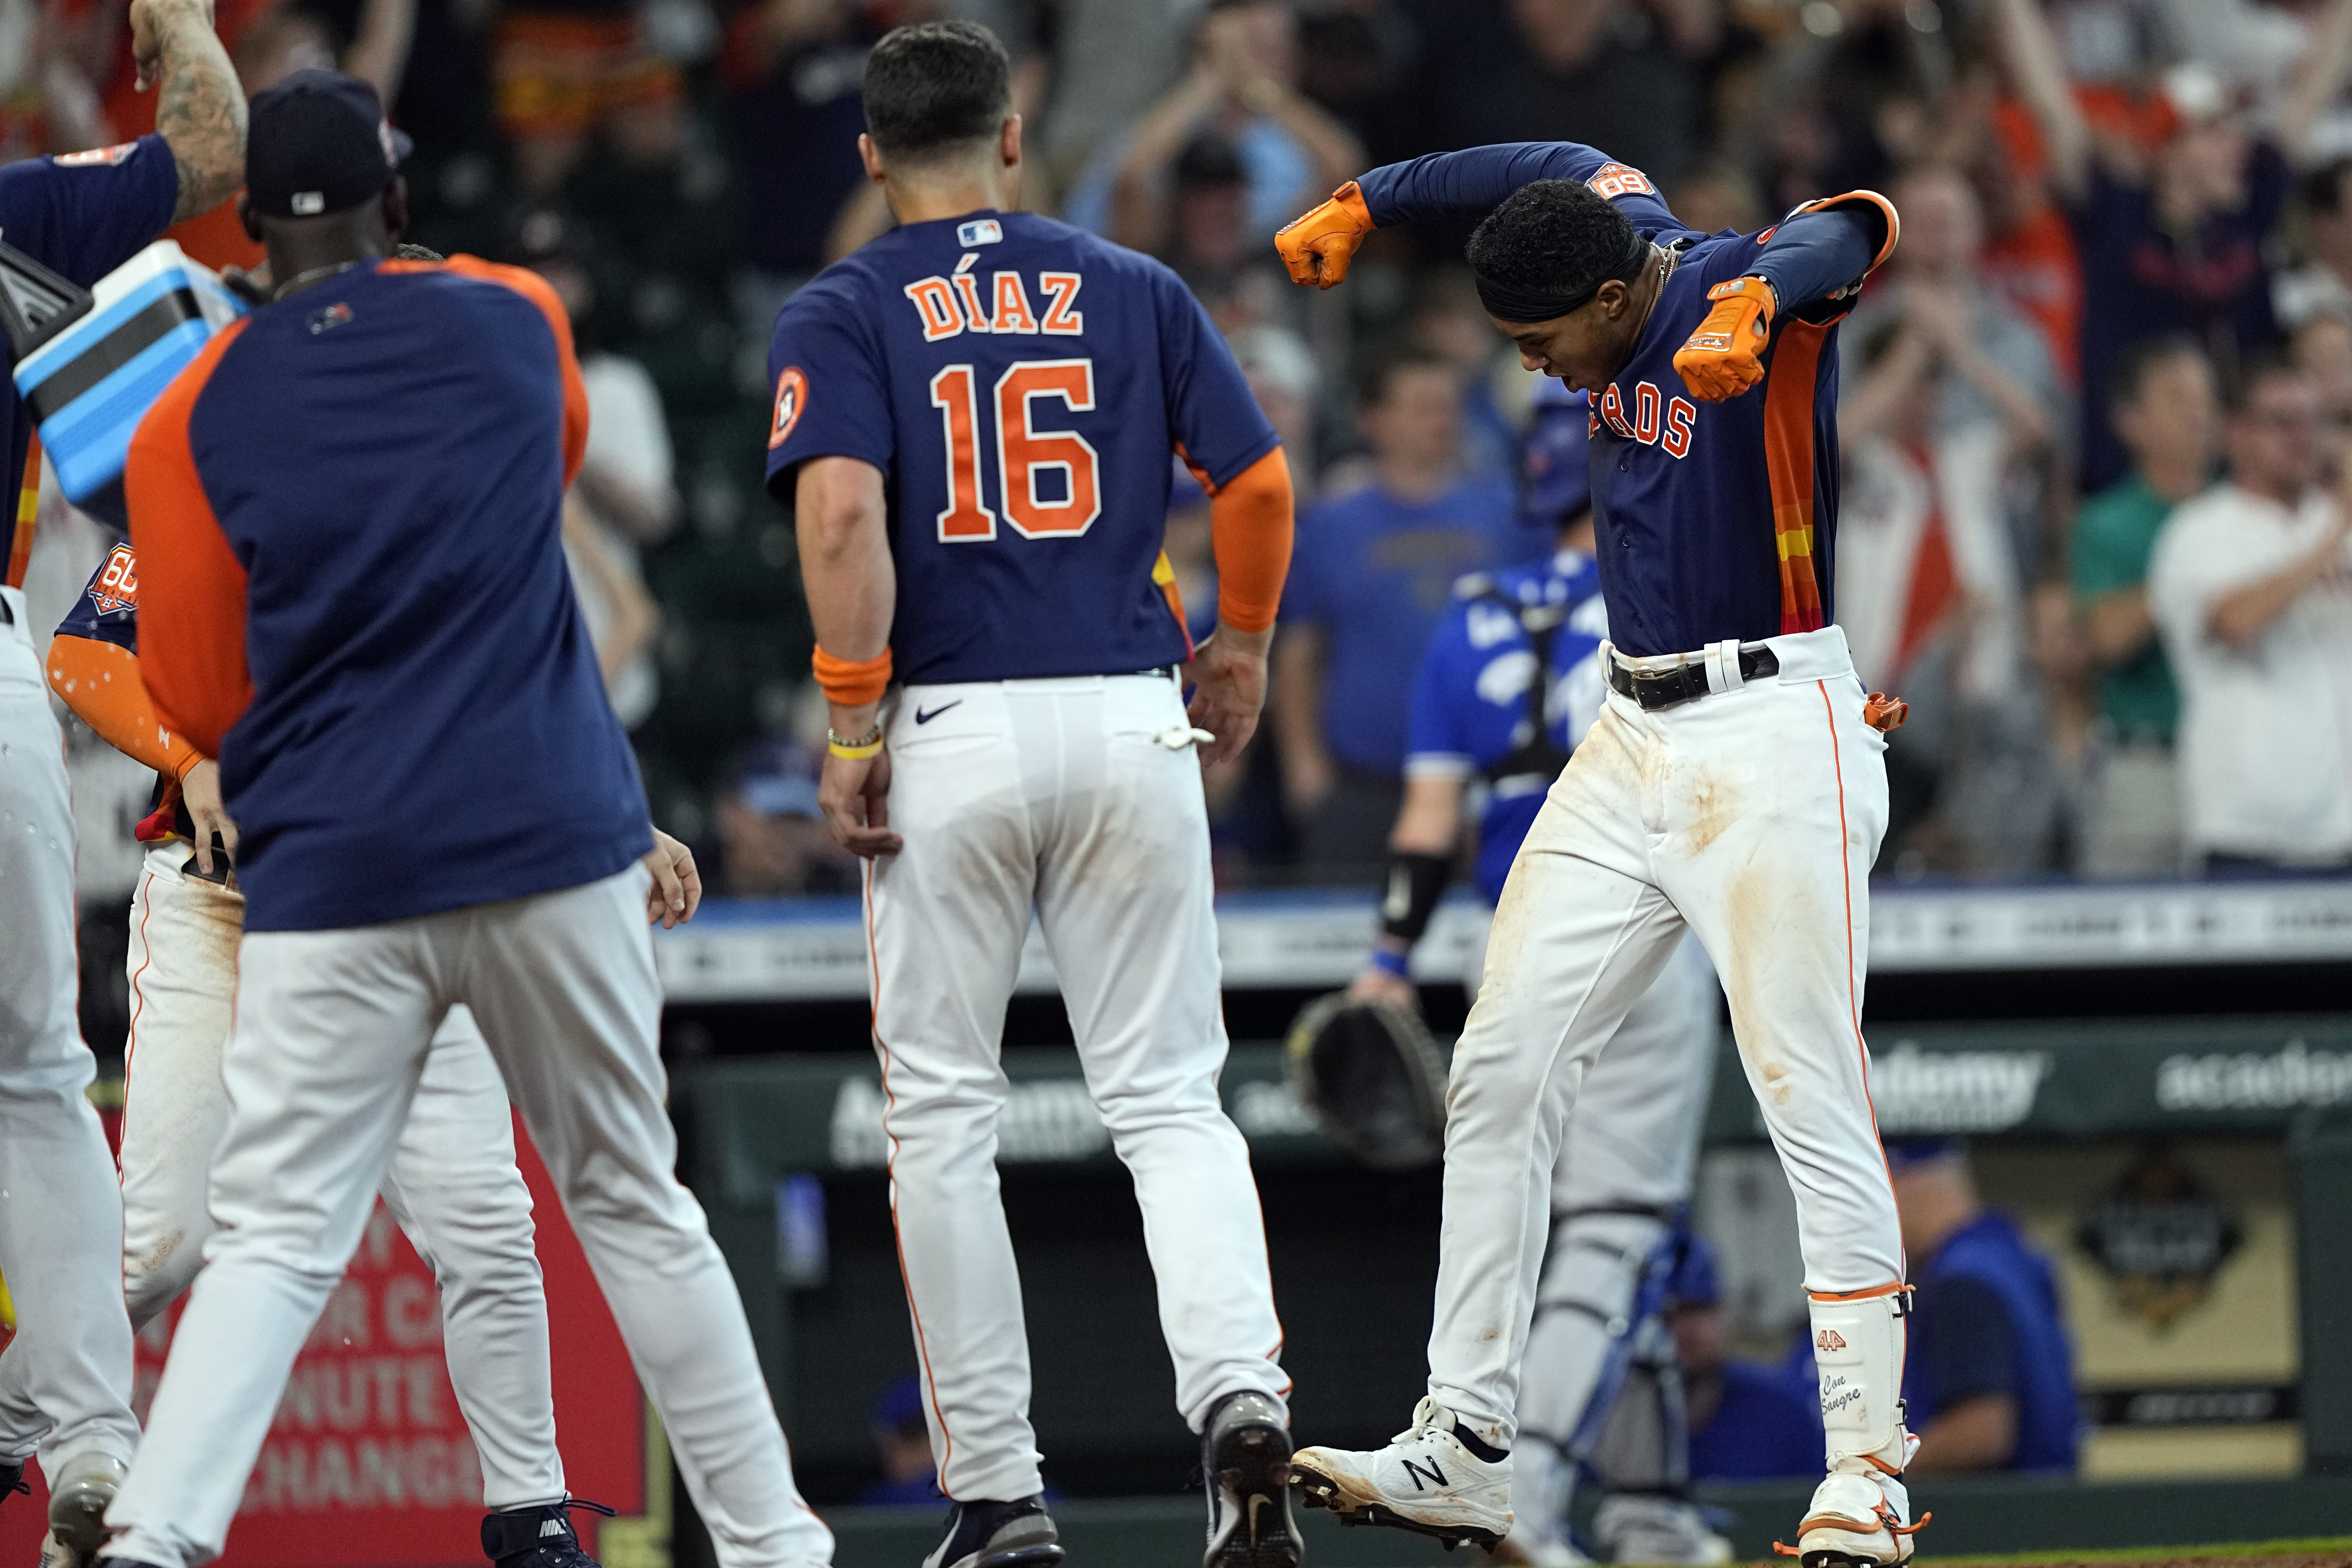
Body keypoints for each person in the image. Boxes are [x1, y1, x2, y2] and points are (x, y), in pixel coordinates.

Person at [92, 70, 833, 1568]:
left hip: (336, 862)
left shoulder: (187, 417)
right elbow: (539, 477)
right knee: (634, 1205)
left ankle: (157, 1539)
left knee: (278, 1238)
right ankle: (774, 1549)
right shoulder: (514, 321)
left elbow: (192, 685)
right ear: (398, 198)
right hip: (536, 829)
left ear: (247, 228)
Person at [1274, 144, 1918, 1564]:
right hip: (1631, 735)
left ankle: (1867, 1472)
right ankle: (1471, 1442)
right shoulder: (1611, 225)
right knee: (1498, 1069)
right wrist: (1370, 198)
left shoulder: (1728, 290)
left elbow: (1858, 224)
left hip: (1772, 721)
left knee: (1808, 1083)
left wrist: (1764, 301)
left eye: (1544, 340)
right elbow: (1543, 162)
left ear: (1621, 295)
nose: (1535, 371)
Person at [763, 23, 1301, 1568]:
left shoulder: (848, 300)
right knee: (1167, 1103)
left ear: (869, 156)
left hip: (947, 721)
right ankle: (1237, 1407)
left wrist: (850, 723)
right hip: (1130, 713)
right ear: (1011, 138)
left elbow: (845, 509)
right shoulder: (1131, 284)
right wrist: (1245, 645)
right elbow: (1254, 485)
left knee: (939, 1119)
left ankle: (998, 1494)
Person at [43, 511, 615, 1568]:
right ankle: (22, 1431)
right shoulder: (225, 464)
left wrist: (622, 820)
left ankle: (533, 1515)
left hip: (406, 903)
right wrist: (185, 755)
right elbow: (82, 654)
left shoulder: (455, 475)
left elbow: (518, 693)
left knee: (486, 1221)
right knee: (157, 1248)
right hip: (228, 898)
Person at [1348, 383, 1727, 1568]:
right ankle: (1530, 1498)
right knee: (1613, 1230)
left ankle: (1648, 1503)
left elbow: (1425, 818)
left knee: (1571, 1231)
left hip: (1504, 933)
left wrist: (1385, 961)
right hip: (1637, 913)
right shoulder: (1669, 589)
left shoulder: (1470, 609)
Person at [0, 2, 244, 1561]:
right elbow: (214, 146)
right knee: (31, 1067)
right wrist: (171, 14)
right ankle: (88, 1436)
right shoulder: (21, 209)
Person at [1991, 0, 2352, 488]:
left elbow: (2314, 90)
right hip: (2136, 476)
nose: (2237, 144)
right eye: (2214, 131)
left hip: (2251, 467)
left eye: (2235, 130)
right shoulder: (2115, 212)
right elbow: (2049, 106)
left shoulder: (2246, 208)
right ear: (2167, 148)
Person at [1271, 350, 1532, 877]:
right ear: (1374, 420)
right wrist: (1305, 766)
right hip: (1361, 787)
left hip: (1487, 788)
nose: (1442, 419)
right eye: (1422, 407)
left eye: (1449, 405)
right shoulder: (1331, 524)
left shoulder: (1509, 514)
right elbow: (1300, 652)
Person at [2148, 357, 2352, 876]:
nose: (2304, 438)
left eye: (2314, 421)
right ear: (2236, 432)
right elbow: (2235, 622)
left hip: (2342, 827)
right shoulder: (2201, 529)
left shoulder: (2331, 519)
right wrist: (2333, 537)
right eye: (2284, 422)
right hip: (2249, 829)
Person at [2071, 335, 2219, 878]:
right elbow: (2107, 637)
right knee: (2121, 944)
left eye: (2206, 397)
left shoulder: (2241, 507)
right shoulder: (2106, 523)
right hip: (2147, 761)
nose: (2199, 413)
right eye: (2178, 398)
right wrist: (2190, 561)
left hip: (2237, 760)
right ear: (2130, 422)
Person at [1886, 1143, 2078, 1475]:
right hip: (2049, 1499)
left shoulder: (1960, 1282)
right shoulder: (2007, 1256)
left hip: (2007, 1513)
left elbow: (1980, 1433)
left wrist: (1874, 1480)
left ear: (1911, 1188)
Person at [1669, 1238, 1823, 1485]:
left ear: (1725, 1314)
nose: (1684, 1330)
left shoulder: (1781, 1414)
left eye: (1699, 1309)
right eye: (1667, 1315)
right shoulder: (1610, 1420)